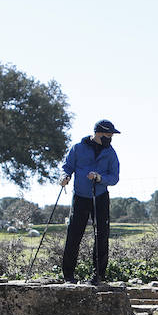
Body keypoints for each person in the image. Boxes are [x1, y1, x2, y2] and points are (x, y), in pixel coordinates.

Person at [60, 119, 121, 283]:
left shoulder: (111, 153)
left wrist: (100, 178)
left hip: (100, 196)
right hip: (80, 196)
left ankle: (99, 275)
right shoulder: (78, 148)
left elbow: (114, 177)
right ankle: (68, 275)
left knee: (101, 235)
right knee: (74, 234)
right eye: (108, 135)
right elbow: (67, 166)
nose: (110, 138)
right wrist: (64, 177)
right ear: (98, 133)